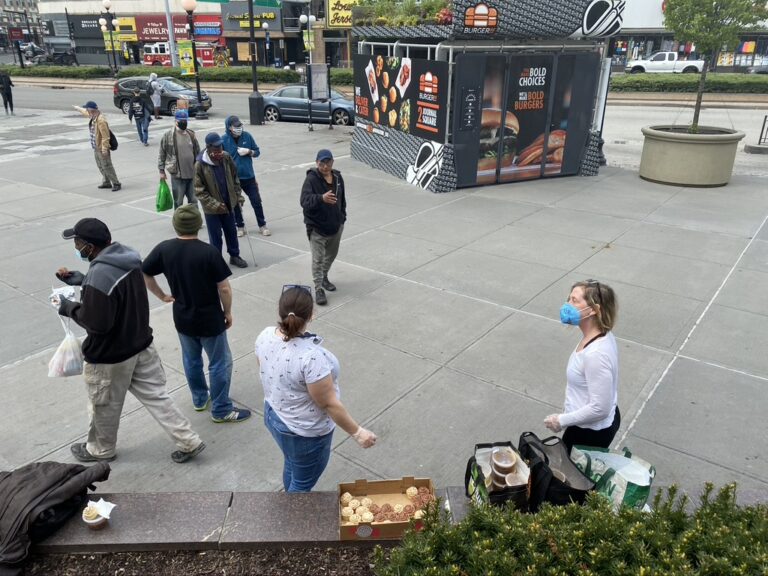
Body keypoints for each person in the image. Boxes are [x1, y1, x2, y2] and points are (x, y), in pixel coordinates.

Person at [54, 218, 205, 464]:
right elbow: (117, 293)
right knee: (158, 397)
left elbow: (97, 323)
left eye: (78, 242)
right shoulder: (127, 257)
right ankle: (189, 440)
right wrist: (84, 280)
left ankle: (100, 450)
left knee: (103, 406)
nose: (76, 246)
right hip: (141, 344)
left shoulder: (99, 274)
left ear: (90, 247)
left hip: (111, 357)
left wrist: (69, 307)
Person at [255, 285, 377, 492]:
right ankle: (292, 518)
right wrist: (357, 432)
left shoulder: (265, 335)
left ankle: (289, 500)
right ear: (312, 315)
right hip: (303, 432)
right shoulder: (311, 357)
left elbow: (266, 370)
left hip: (274, 416)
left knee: (292, 463)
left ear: (280, 311)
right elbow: (328, 403)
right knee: (302, 483)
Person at [142, 205, 251, 423]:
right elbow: (224, 288)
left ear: (176, 225)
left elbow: (145, 271)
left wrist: (162, 295)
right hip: (210, 319)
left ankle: (200, 398)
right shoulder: (209, 252)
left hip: (183, 317)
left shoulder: (164, 249)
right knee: (220, 363)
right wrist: (227, 311)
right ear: (199, 225)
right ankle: (221, 409)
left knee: (191, 360)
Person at [544, 280, 620, 453]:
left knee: (572, 477)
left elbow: (600, 408)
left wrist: (561, 420)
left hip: (589, 433)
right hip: (583, 424)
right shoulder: (600, 335)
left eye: (574, 301)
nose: (567, 305)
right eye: (569, 299)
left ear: (593, 309)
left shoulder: (596, 355)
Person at [194, 132, 248, 268]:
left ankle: (234, 256)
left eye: (220, 147)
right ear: (208, 147)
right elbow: (199, 191)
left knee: (231, 232)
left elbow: (235, 178)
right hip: (212, 209)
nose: (219, 150)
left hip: (229, 203)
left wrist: (238, 196)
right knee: (216, 237)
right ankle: (216, 260)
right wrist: (215, 205)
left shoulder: (226, 158)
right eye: (216, 148)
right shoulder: (200, 164)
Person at [300, 149, 346, 306]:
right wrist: (321, 198)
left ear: (332, 162)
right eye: (322, 163)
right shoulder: (311, 180)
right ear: (316, 163)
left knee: (331, 255)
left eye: (328, 163)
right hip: (317, 228)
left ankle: (324, 277)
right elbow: (304, 201)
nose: (325, 166)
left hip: (335, 226)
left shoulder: (338, 177)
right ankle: (318, 288)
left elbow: (342, 200)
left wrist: (342, 219)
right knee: (318, 259)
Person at [222, 115, 271, 237]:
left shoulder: (247, 136)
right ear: (229, 127)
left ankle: (262, 225)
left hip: (248, 176)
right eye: (236, 126)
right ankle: (240, 226)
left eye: (240, 126)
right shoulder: (223, 140)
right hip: (234, 179)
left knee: (256, 201)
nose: (239, 128)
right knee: (236, 203)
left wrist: (249, 152)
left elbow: (257, 152)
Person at [74, 101, 121, 192]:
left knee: (107, 166)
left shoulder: (101, 120)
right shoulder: (93, 116)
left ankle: (116, 183)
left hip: (101, 148)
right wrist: (77, 108)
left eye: (87, 108)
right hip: (96, 147)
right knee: (100, 165)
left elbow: (105, 136)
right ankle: (106, 182)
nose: (86, 110)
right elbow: (85, 111)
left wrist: (104, 149)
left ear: (91, 110)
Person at [158, 110, 200, 209]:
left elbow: (198, 152)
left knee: (194, 200)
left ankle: (195, 222)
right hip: (177, 176)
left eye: (185, 120)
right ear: (176, 121)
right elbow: (162, 153)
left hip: (192, 174)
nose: (184, 123)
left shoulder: (191, 134)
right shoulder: (168, 136)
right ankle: (179, 223)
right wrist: (161, 171)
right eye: (181, 121)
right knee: (178, 201)